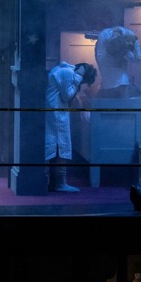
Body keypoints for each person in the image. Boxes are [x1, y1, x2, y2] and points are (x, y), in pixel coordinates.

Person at [45, 60, 97, 192]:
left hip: (54, 111)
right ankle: (59, 184)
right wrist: (78, 78)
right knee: (60, 146)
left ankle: (54, 182)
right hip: (57, 113)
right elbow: (67, 96)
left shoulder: (62, 70)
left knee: (56, 146)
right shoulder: (67, 72)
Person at [93, 25, 141, 98]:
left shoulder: (131, 36)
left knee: (124, 101)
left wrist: (128, 53)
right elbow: (100, 59)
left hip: (122, 81)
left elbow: (138, 59)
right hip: (108, 79)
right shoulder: (103, 36)